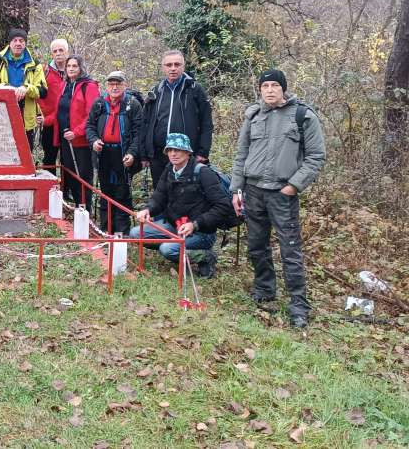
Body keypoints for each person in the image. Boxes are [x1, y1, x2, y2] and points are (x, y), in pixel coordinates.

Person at [231, 70, 325, 329]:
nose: (270, 90)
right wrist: (236, 190)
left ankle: (298, 305)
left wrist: (294, 186)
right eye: (265, 85)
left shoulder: (302, 116)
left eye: (275, 85)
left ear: (283, 88)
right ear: (259, 89)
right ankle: (264, 290)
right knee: (257, 245)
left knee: (290, 249)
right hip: (253, 191)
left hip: (282, 193)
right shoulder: (253, 116)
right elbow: (241, 156)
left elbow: (316, 157)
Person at [131, 133, 232, 278]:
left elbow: (223, 206)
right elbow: (159, 196)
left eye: (178, 150)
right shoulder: (169, 170)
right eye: (170, 150)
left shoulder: (202, 173)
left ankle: (205, 256)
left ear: (187, 152)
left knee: (168, 249)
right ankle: (178, 248)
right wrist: (148, 209)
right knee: (136, 234)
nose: (173, 154)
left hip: (201, 231)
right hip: (175, 225)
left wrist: (195, 224)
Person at [141, 50, 213, 185]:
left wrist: (203, 152)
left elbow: (206, 123)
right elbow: (146, 123)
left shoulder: (195, 89)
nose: (173, 68)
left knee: (184, 196)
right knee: (160, 195)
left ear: (183, 66)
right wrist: (144, 153)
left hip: (186, 155)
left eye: (177, 64)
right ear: (163, 67)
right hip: (158, 155)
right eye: (168, 65)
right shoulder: (157, 91)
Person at [85, 71, 142, 235]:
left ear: (125, 85)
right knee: (105, 192)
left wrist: (132, 153)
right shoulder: (99, 104)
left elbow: (139, 132)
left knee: (122, 192)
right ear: (106, 86)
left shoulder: (133, 105)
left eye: (118, 83)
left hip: (123, 154)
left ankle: (122, 232)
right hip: (103, 154)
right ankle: (105, 230)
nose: (114, 87)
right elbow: (90, 126)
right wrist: (94, 140)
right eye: (111, 84)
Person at [0, 28, 47, 150]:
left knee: (25, 152)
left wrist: (27, 88)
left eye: (22, 41)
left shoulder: (35, 64)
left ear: (25, 43)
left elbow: (43, 91)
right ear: (10, 43)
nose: (18, 43)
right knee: (2, 152)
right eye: (15, 40)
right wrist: (0, 88)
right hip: (0, 116)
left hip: (26, 116)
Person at [55, 54, 100, 211]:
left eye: (75, 66)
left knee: (83, 177)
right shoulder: (64, 85)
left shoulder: (89, 86)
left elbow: (92, 114)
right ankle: (77, 209)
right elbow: (59, 111)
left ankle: (85, 210)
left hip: (81, 142)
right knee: (71, 176)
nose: (71, 69)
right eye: (69, 66)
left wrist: (77, 132)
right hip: (65, 140)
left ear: (81, 68)